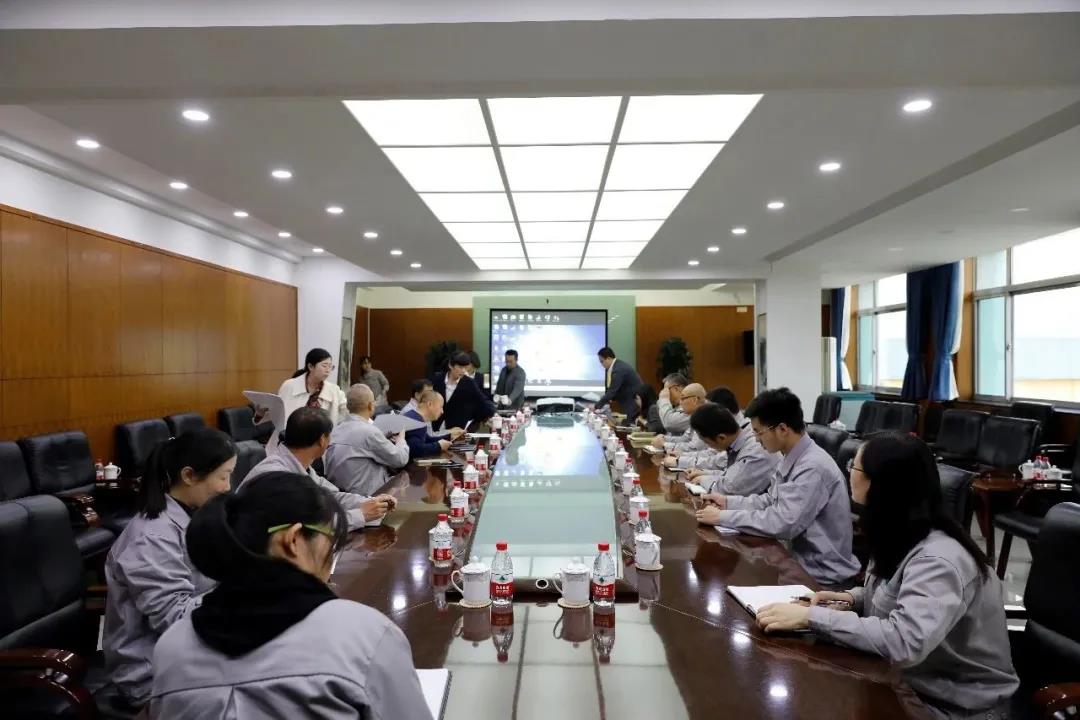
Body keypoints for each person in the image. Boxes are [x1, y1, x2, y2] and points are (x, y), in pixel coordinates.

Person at [755, 433, 1019, 720]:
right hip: (906, 684)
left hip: (955, 707)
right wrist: (852, 599)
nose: (848, 472)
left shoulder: (939, 560)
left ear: (880, 483)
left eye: (853, 466)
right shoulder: (900, 532)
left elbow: (905, 642)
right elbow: (894, 591)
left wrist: (812, 618)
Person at [148, 472, 430, 719]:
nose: (332, 550)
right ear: (293, 540)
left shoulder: (172, 647)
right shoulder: (364, 634)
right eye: (331, 536)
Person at [103, 428, 237, 707]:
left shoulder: (194, 515)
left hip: (194, 655)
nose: (228, 487)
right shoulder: (151, 537)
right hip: (153, 673)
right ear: (189, 476)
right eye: (223, 477)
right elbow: (174, 618)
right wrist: (245, 592)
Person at [700, 387, 860, 587]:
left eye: (759, 432)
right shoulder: (790, 456)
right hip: (794, 563)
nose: (756, 439)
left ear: (783, 429)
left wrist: (722, 517)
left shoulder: (812, 467)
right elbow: (770, 500)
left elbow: (782, 522)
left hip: (819, 578)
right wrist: (727, 502)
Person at [244, 407, 394, 530]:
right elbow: (310, 527)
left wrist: (372, 503)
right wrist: (360, 515)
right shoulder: (277, 476)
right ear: (322, 440)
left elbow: (332, 496)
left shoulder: (298, 464)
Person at [324, 384, 410, 497]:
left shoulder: (336, 430)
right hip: (369, 497)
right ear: (370, 405)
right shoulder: (370, 432)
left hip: (340, 496)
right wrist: (401, 439)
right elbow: (400, 459)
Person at [687, 404, 779, 506]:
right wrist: (706, 474)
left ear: (721, 438)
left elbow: (731, 489)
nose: (756, 438)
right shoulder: (737, 443)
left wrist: (702, 479)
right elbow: (733, 475)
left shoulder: (756, 451)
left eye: (707, 442)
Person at [262, 348, 347, 452]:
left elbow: (347, 412)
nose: (328, 370)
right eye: (324, 366)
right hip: (287, 444)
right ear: (310, 366)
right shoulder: (289, 386)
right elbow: (278, 412)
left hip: (318, 447)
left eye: (330, 366)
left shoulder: (334, 390)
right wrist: (261, 413)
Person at [433, 351, 495, 431]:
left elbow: (482, 401)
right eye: (460, 367)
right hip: (435, 427)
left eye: (465, 368)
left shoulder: (469, 383)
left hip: (457, 429)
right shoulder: (437, 379)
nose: (463, 371)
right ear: (450, 365)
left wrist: (493, 413)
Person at [403, 390, 463, 459]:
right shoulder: (416, 421)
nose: (442, 411)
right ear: (430, 404)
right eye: (441, 407)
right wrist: (438, 446)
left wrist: (449, 436)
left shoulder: (414, 416)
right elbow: (415, 449)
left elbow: (427, 439)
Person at [596, 346, 644, 421]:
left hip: (634, 402)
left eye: (602, 361)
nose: (601, 364)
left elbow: (612, 391)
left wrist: (596, 406)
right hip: (629, 401)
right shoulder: (617, 366)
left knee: (630, 423)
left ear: (608, 358)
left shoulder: (618, 370)